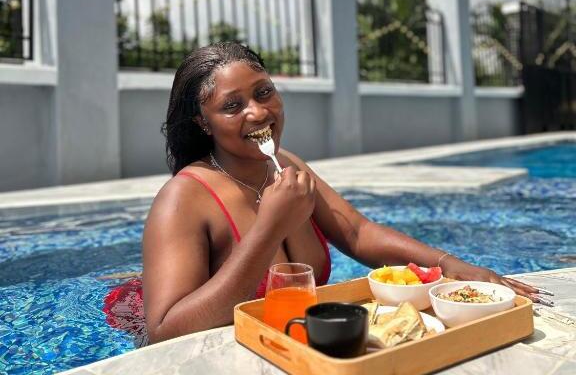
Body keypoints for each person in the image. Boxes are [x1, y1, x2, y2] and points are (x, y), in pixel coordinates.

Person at [105, 41, 537, 345]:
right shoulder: (182, 199)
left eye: (264, 92)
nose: (258, 112)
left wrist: (448, 265)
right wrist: (270, 228)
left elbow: (357, 233)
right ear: (204, 122)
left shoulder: (287, 166)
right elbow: (164, 331)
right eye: (232, 106)